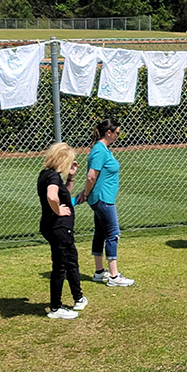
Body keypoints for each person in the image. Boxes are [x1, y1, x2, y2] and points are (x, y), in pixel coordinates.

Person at [38, 143, 87, 319]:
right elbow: (52, 196)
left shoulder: (47, 175)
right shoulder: (52, 177)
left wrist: (71, 178)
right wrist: (58, 210)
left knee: (71, 260)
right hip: (58, 227)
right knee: (60, 266)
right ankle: (56, 308)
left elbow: (61, 194)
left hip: (55, 227)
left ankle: (78, 298)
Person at [84, 119, 133, 287]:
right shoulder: (99, 151)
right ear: (109, 133)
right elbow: (91, 176)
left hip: (102, 198)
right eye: (117, 133)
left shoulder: (103, 150)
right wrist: (86, 193)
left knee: (101, 232)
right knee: (113, 233)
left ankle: (99, 272)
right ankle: (114, 276)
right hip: (103, 199)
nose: (118, 136)